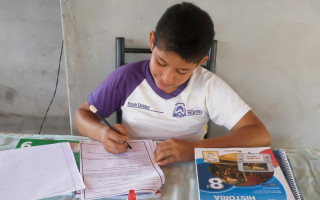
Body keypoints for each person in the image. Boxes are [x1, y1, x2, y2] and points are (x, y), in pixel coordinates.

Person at [74, 2, 270, 166]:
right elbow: (82, 114)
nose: (167, 78)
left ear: (199, 62)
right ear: (152, 41)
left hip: (188, 166)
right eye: (160, 62)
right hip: (133, 164)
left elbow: (259, 135)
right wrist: (102, 134)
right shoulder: (126, 77)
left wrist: (192, 150)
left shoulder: (208, 85)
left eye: (182, 71)